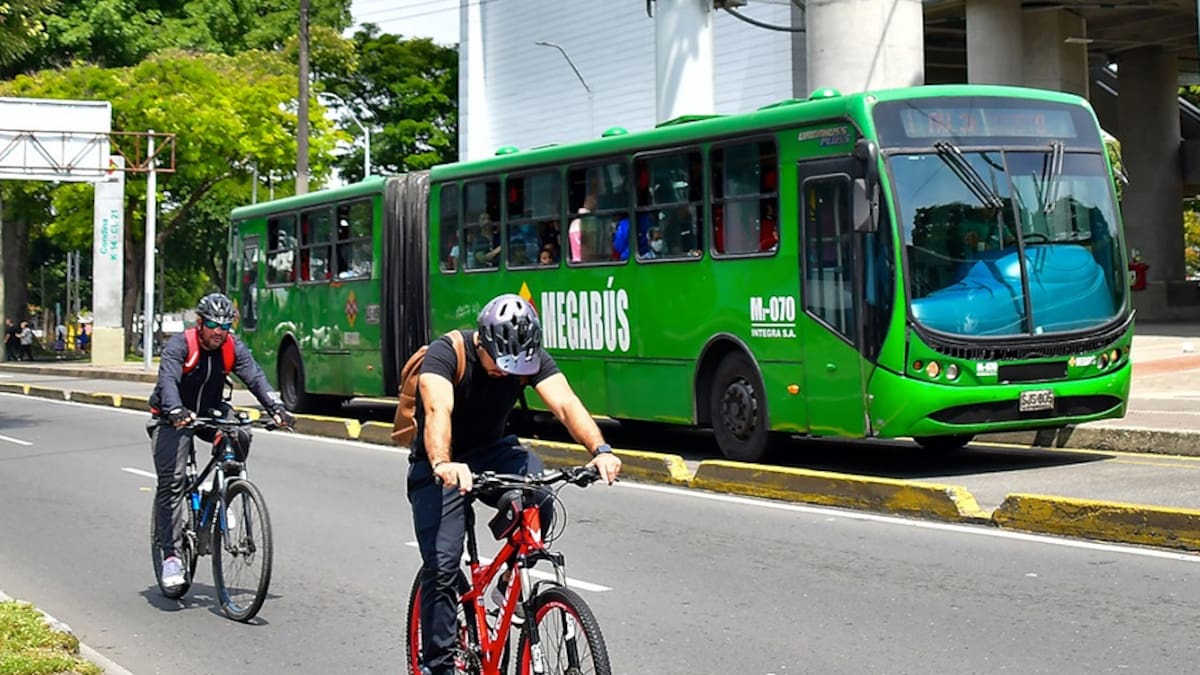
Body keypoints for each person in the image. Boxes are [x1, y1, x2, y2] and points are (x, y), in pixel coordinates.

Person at [408, 293, 622, 675]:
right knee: (441, 567)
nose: (506, 374)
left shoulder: (527, 359)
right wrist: (443, 462)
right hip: (439, 463)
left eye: (515, 367)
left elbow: (566, 404)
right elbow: (437, 409)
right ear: (483, 341)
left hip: (493, 452)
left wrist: (600, 449)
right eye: (499, 364)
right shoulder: (446, 354)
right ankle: (437, 666)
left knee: (542, 494)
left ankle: (508, 584)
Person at [147, 292, 295, 591]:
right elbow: (168, 382)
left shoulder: (231, 347)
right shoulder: (180, 345)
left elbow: (255, 378)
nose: (219, 332)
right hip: (171, 416)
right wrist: (175, 411)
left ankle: (222, 489)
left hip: (210, 412)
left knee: (240, 432)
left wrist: (278, 409)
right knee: (172, 482)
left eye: (225, 326)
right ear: (200, 322)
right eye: (213, 324)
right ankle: (172, 558)